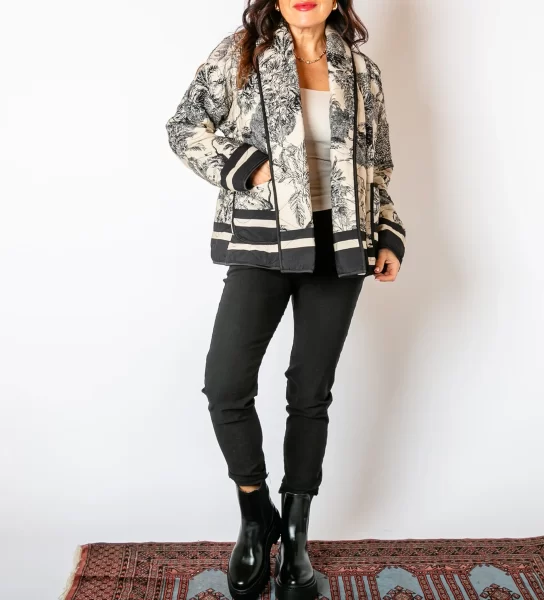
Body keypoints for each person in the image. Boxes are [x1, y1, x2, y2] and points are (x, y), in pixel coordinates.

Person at [165, 1, 406, 599]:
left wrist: (388, 234)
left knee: (309, 391)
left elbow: (377, 170)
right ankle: (256, 516)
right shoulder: (241, 54)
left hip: (340, 248)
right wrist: (248, 168)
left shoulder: (364, 73)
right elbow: (183, 127)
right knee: (225, 383)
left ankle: (296, 536)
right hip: (261, 244)